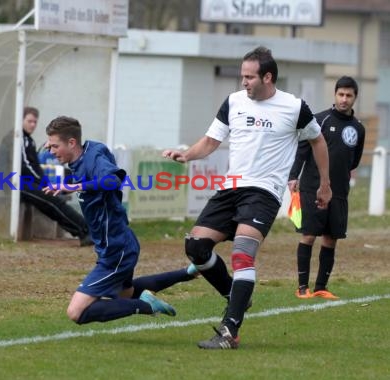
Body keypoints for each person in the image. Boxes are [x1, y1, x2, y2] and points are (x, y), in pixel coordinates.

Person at [162, 46, 332, 349]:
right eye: (242, 76)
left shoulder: (294, 107)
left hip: (264, 192)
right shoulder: (234, 102)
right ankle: (235, 293)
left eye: (249, 77)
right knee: (196, 246)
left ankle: (230, 332)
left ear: (268, 77)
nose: (243, 82)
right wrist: (186, 154)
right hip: (231, 188)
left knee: (242, 253)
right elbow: (212, 140)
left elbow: (318, 141)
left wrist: (324, 184)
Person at [43, 116, 200, 324]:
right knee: (126, 293)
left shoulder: (94, 156)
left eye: (55, 146)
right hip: (117, 242)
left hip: (115, 249)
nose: (51, 151)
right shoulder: (84, 154)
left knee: (76, 312)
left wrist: (71, 187)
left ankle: (146, 305)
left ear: (72, 143)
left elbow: (113, 179)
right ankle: (187, 273)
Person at [288, 76, 365, 300]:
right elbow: (302, 150)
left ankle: (321, 287)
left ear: (354, 98)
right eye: (340, 94)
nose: (344, 99)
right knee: (309, 235)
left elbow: (355, 161)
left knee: (331, 238)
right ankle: (302, 287)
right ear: (335, 95)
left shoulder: (358, 128)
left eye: (349, 95)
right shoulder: (319, 120)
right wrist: (294, 176)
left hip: (339, 192)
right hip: (312, 187)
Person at [0, 107, 92, 246]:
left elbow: (33, 165)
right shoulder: (17, 138)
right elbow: (25, 167)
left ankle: (85, 230)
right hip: (14, 183)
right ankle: (84, 231)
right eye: (29, 121)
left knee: (55, 198)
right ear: (20, 120)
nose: (33, 125)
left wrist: (44, 183)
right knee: (52, 201)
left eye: (35, 122)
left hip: (26, 182)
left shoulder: (27, 139)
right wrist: (43, 183)